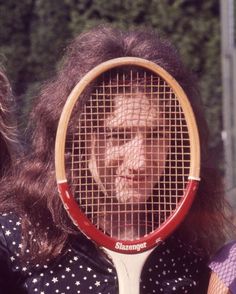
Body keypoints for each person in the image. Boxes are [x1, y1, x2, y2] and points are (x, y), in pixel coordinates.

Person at [0, 25, 229, 293]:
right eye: (118, 135)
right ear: (78, 138)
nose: (139, 161)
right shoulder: (15, 239)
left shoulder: (192, 257)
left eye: (156, 135)